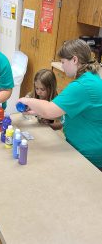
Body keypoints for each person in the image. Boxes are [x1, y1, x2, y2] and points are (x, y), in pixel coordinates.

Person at [19, 39, 102, 170]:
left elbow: (50, 110)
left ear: (74, 60)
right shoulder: (90, 78)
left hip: (89, 154)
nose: (62, 66)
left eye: (63, 62)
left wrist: (27, 101)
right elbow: (65, 110)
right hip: (83, 147)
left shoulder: (83, 85)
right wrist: (37, 110)